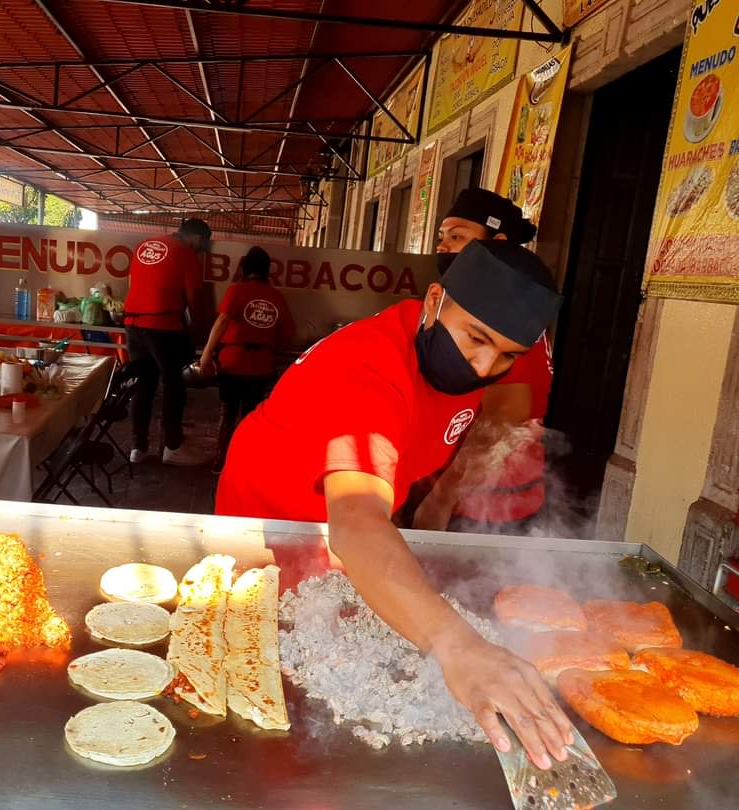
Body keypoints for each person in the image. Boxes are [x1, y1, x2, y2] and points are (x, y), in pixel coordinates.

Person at [216, 241, 573, 769]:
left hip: (344, 527)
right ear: (434, 300)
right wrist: (459, 647)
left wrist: (436, 498)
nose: (482, 365)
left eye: (506, 355)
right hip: (274, 524)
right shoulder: (369, 369)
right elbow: (357, 523)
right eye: (476, 338)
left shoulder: (449, 355)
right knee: (266, 699)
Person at [414, 188, 554, 533]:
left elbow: (502, 420)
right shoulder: (471, 304)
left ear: (499, 242)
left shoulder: (506, 315)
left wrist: (441, 499)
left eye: (458, 236)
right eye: (441, 237)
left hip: (485, 507)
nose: (444, 246)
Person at [123, 217, 211, 466]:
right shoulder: (186, 254)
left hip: (133, 325)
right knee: (174, 385)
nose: (202, 251)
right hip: (163, 326)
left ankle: (138, 448)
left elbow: (136, 286)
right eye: (203, 246)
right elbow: (195, 301)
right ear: (196, 238)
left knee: (143, 386)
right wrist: (201, 333)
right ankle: (172, 448)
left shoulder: (144, 246)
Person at [199, 246, 294, 472]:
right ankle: (243, 465)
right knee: (250, 417)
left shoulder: (236, 291)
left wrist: (206, 353)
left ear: (244, 268)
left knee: (228, 413)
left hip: (232, 363)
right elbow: (288, 333)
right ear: (267, 272)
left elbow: (222, 321)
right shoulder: (276, 297)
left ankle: (220, 463)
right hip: (260, 367)